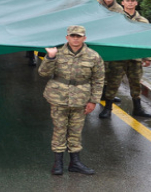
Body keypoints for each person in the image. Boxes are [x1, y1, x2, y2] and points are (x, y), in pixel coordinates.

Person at [39, 25, 103, 176]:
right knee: (59, 129)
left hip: (81, 98)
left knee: (76, 130)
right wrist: (50, 58)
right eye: (72, 36)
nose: (75, 39)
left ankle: (75, 162)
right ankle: (58, 163)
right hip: (58, 97)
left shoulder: (93, 56)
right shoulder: (57, 53)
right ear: (67, 38)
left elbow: (98, 80)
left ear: (84, 38)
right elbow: (43, 73)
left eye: (78, 36)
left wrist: (94, 101)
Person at [99, 0, 151, 119]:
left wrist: (148, 57)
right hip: (118, 57)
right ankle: (107, 108)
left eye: (132, 0)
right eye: (127, 0)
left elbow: (146, 39)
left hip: (135, 58)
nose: (130, 3)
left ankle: (137, 108)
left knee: (135, 84)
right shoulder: (116, 19)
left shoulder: (143, 21)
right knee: (113, 82)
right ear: (122, 2)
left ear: (136, 3)